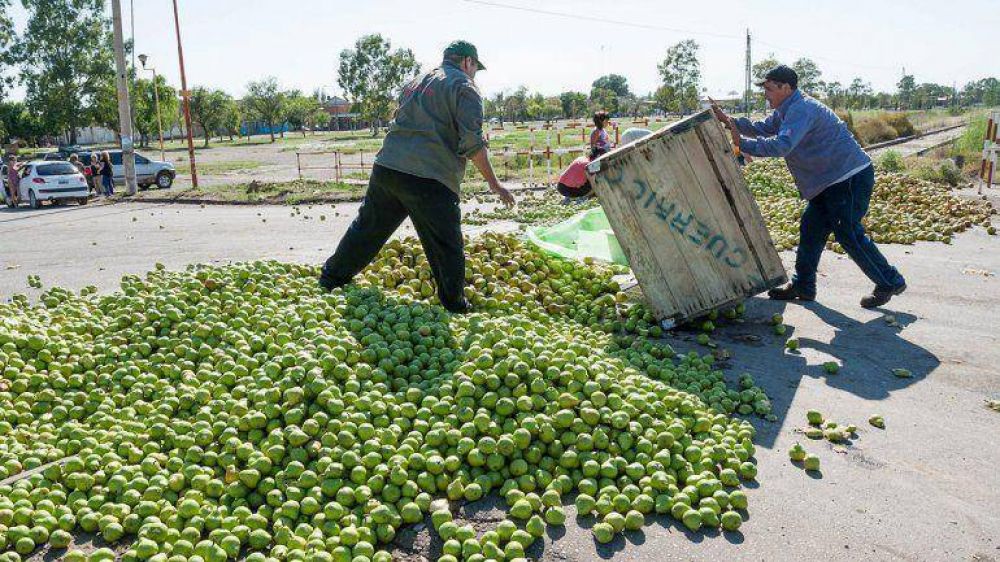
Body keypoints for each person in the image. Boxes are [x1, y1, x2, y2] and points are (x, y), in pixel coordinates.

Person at [319, 40, 514, 313]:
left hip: (388, 168)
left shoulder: (415, 82)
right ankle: (455, 306)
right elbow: (472, 142)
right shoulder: (465, 87)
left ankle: (330, 279)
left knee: (367, 229)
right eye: (474, 68)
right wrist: (495, 183)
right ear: (468, 62)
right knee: (445, 244)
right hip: (429, 178)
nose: (474, 74)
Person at [711, 64, 906, 309]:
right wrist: (730, 122)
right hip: (827, 182)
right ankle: (803, 285)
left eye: (770, 89)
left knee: (848, 233)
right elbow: (764, 128)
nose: (766, 95)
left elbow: (782, 145)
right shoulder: (787, 108)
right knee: (811, 228)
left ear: (786, 87)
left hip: (847, 178)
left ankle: (890, 281)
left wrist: (743, 145)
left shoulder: (802, 109)